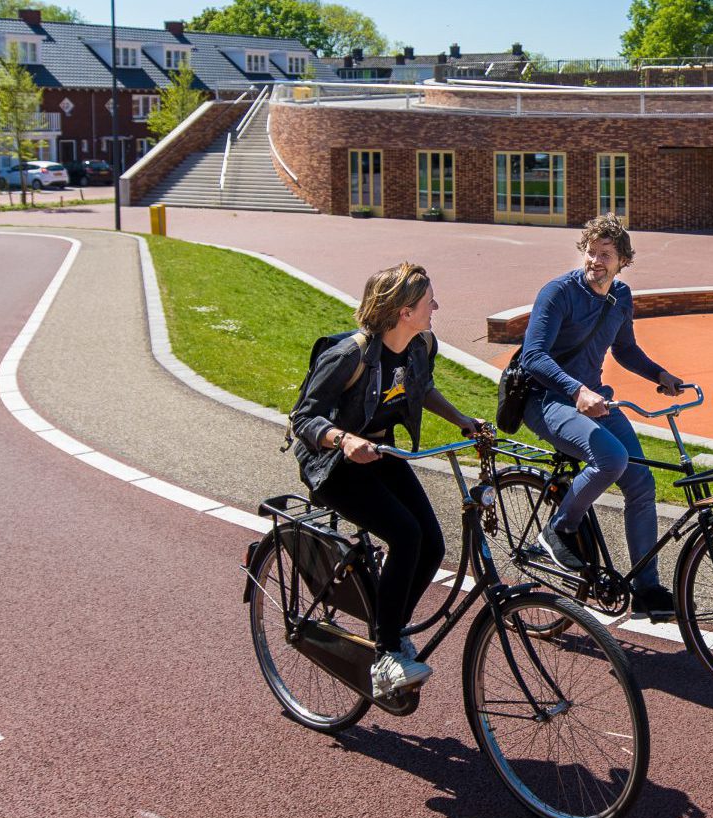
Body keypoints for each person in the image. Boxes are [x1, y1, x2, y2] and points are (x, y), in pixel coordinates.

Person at [288, 262, 492, 697]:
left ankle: (392, 628)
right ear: (403, 311)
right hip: (335, 464)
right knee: (405, 534)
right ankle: (385, 655)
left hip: (380, 452)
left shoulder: (419, 346)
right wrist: (342, 441)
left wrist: (461, 420)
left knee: (432, 544)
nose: (435, 306)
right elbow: (303, 416)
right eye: (428, 301)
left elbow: (421, 388)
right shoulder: (350, 356)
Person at [517, 217, 690, 621]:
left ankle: (646, 589)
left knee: (642, 482)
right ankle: (558, 529)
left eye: (606, 255)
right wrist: (576, 390)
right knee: (611, 459)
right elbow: (533, 356)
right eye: (591, 252)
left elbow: (625, 349)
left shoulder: (620, 296)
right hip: (547, 399)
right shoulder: (558, 293)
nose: (595, 261)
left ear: (623, 261)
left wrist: (659, 374)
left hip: (595, 401)